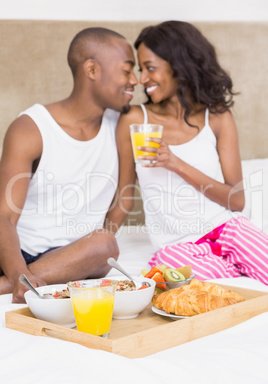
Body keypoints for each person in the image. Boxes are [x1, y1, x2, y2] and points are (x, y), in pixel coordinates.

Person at [112, 21, 268, 285]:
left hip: (227, 229)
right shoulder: (135, 120)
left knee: (244, 238)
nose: (142, 79)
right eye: (141, 69)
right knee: (175, 273)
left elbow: (237, 201)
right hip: (177, 244)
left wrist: (174, 162)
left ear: (179, 67)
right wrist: (98, 239)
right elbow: (124, 195)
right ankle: (239, 271)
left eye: (150, 68)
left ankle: (238, 268)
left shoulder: (217, 117)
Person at [0, 27, 138, 302]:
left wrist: (89, 251)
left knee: (105, 244)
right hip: (16, 252)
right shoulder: (31, 128)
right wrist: (18, 274)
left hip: (77, 254)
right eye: (126, 70)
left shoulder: (124, 125)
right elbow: (4, 217)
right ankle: (16, 282)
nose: (135, 80)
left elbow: (125, 196)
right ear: (92, 69)